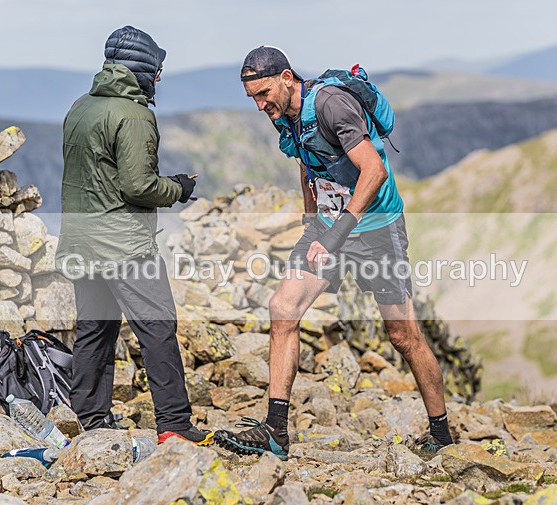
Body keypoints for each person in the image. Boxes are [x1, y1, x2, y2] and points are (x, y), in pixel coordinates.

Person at [214, 46, 454, 460]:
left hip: (376, 227)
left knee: (403, 335)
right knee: (282, 308)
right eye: (253, 97)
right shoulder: (284, 114)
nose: (260, 105)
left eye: (265, 92)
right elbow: (308, 166)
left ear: (287, 78)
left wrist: (338, 231)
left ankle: (442, 434)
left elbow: (374, 171)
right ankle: (275, 431)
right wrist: (313, 226)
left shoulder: (331, 104)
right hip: (328, 227)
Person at [55, 26, 212, 446]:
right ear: (142, 69)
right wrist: (179, 187)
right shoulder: (136, 114)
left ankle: (91, 422)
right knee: (158, 327)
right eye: (156, 70)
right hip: (124, 244)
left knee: (94, 328)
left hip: (80, 240)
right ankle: (175, 425)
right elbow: (138, 186)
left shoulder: (80, 107)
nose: (158, 79)